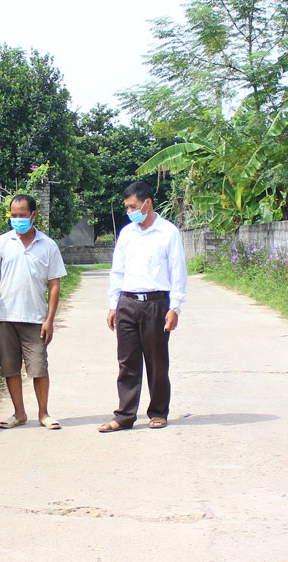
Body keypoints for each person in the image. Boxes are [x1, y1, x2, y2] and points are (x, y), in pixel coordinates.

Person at [101, 181, 187, 432]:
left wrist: (175, 307)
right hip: (127, 302)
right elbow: (117, 271)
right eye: (127, 207)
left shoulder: (168, 232)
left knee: (156, 362)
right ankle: (124, 415)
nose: (130, 211)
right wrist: (113, 305)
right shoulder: (127, 233)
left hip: (156, 305)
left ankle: (158, 412)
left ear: (147, 204)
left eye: (133, 206)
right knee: (127, 362)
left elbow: (178, 272)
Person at [0, 194, 67, 430]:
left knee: (39, 367)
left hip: (35, 319)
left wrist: (49, 320)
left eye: (22, 215)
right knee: (9, 367)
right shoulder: (0, 243)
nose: (17, 219)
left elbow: (54, 285)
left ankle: (44, 413)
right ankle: (19, 413)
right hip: (4, 318)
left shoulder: (48, 245)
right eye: (14, 215)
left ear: (33, 215)